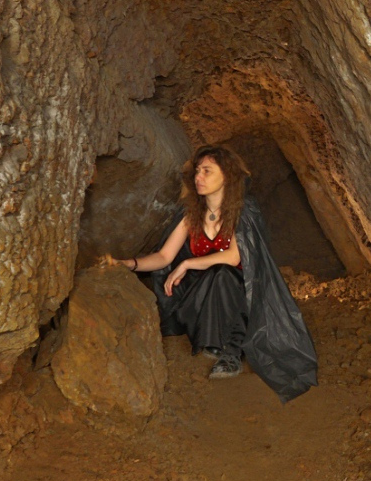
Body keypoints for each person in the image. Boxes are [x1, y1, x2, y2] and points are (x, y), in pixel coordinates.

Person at [108, 145, 318, 401]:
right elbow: (164, 257)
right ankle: (213, 339)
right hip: (199, 299)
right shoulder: (191, 214)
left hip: (241, 299)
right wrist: (130, 264)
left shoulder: (243, 211)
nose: (199, 177)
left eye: (207, 171)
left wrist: (188, 264)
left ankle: (231, 352)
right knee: (217, 275)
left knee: (224, 273)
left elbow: (234, 257)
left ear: (227, 176)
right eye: (198, 171)